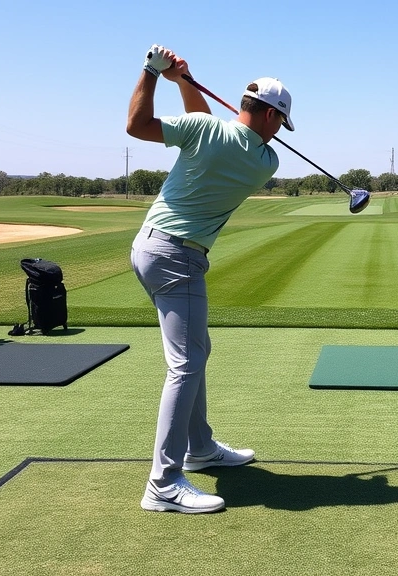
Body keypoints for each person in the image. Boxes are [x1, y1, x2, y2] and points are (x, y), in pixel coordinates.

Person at [126, 44, 294, 514]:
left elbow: (149, 126)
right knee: (186, 362)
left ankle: (199, 448)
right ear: (268, 118)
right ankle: (162, 483)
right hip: (175, 253)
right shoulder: (266, 162)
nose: (280, 130)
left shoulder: (208, 133)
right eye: (279, 121)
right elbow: (203, 131)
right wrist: (182, 82)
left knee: (196, 353)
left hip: (158, 247)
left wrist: (156, 74)